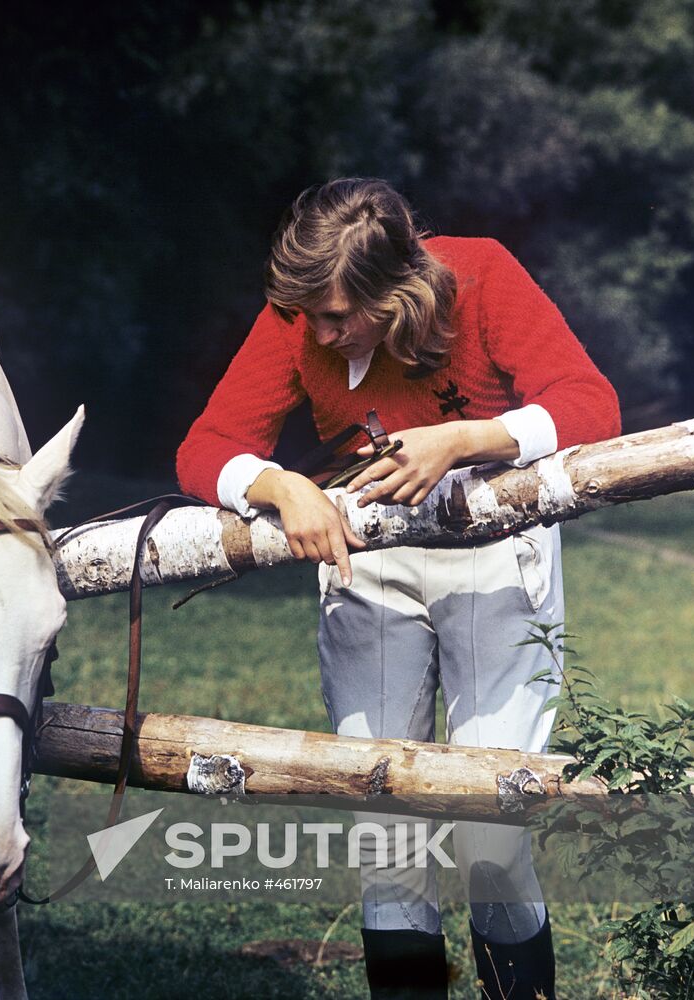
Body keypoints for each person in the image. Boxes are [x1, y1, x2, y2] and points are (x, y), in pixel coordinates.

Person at [176, 178, 620, 1000]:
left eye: (341, 315)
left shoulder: (480, 275)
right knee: (387, 833)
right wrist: (279, 486)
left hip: (497, 542)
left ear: (398, 289)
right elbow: (208, 445)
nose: (321, 331)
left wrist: (465, 438)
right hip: (370, 560)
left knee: (491, 825)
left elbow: (591, 402)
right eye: (311, 314)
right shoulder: (301, 313)